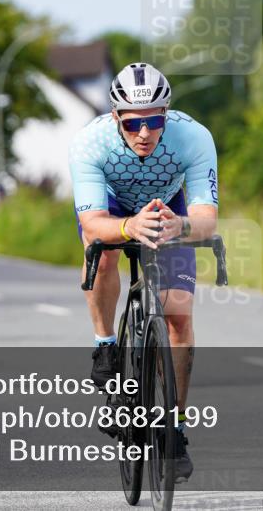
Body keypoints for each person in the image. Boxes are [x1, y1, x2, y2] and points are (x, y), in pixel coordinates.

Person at [68, 62, 219, 482]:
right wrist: (126, 227)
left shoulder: (194, 137)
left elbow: (207, 220)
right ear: (116, 117)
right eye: (134, 124)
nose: (145, 133)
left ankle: (174, 428)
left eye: (155, 121)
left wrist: (181, 226)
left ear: (166, 114)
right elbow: (94, 223)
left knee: (178, 316)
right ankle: (105, 343)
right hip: (112, 207)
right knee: (103, 252)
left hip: (169, 207)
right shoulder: (90, 144)